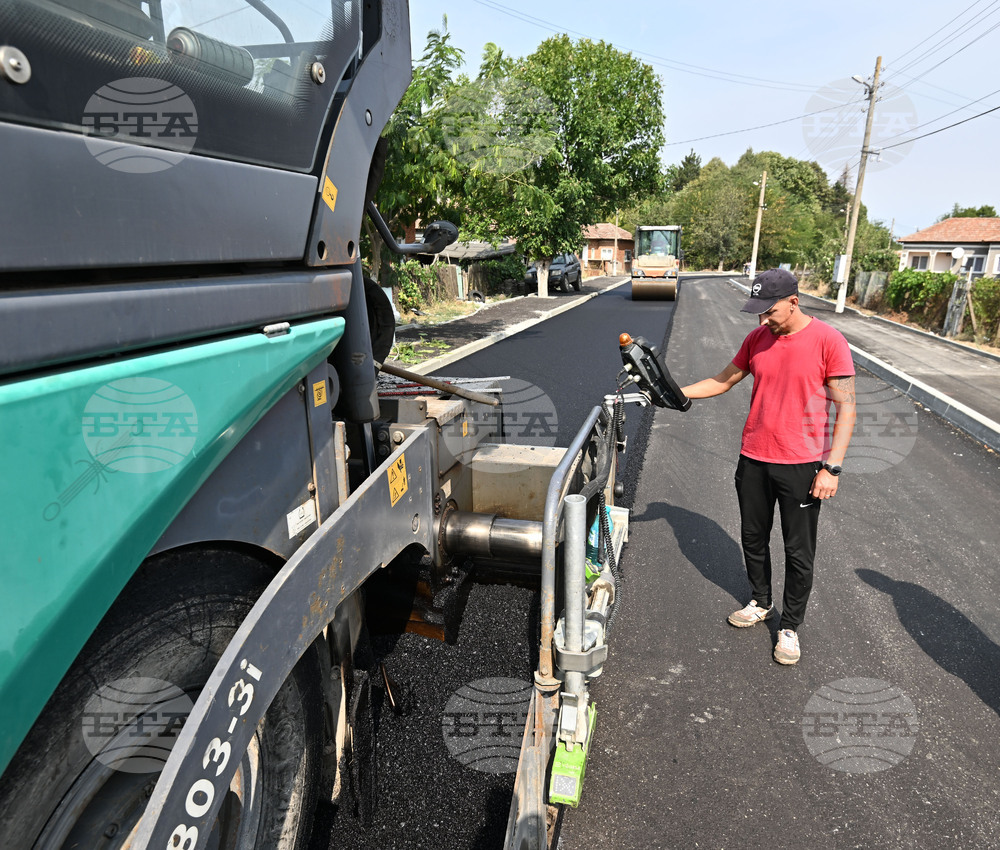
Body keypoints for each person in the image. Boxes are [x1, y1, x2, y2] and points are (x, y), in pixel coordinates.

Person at [680, 269, 856, 665]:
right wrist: (672, 394)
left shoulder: (829, 340)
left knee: (798, 551)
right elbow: (722, 381)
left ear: (793, 301)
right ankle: (760, 601)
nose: (763, 320)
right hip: (754, 458)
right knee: (753, 538)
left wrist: (833, 467)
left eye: (770, 311)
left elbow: (847, 408)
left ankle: (790, 626)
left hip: (802, 465)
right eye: (757, 311)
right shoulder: (757, 338)